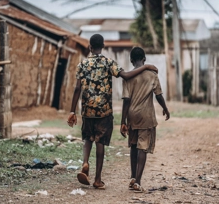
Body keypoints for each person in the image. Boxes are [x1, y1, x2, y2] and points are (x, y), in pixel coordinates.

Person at [67, 34, 158, 190]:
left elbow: (77, 88)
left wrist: (72, 111)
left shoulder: (82, 64)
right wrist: (146, 67)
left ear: (90, 47)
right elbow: (126, 75)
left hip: (87, 109)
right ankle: (97, 179)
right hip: (104, 110)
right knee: (100, 142)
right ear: (102, 46)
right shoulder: (108, 63)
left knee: (88, 138)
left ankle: (85, 162)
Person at [120, 46, 170, 193]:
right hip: (146, 115)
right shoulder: (152, 75)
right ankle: (138, 181)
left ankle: (133, 177)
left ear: (131, 60)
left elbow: (126, 100)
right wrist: (165, 108)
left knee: (134, 145)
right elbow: (158, 95)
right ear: (144, 59)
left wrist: (123, 121)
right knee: (143, 146)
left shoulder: (128, 76)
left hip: (132, 115)